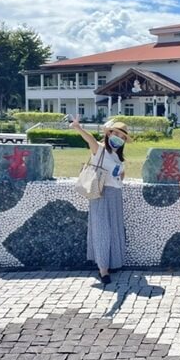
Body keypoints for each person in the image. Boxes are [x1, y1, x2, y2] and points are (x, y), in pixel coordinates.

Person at [71, 115, 130, 285]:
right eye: (117, 134)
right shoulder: (100, 149)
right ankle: (103, 269)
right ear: (109, 133)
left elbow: (122, 175)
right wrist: (78, 127)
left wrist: (120, 176)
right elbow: (89, 140)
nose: (119, 139)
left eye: (123, 137)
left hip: (116, 194)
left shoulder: (118, 157)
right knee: (102, 228)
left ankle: (113, 263)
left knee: (114, 229)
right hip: (100, 192)